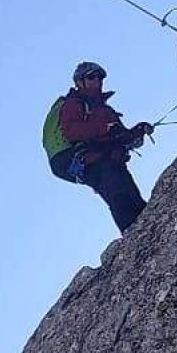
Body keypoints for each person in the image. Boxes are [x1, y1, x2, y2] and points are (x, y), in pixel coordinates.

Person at [45, 62, 153, 233]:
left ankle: (145, 230)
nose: (97, 81)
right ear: (79, 82)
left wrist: (139, 131)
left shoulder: (104, 109)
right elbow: (71, 131)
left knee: (129, 193)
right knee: (117, 193)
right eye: (91, 77)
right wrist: (104, 128)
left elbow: (122, 137)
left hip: (106, 158)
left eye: (100, 77)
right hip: (87, 158)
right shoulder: (74, 104)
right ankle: (135, 236)